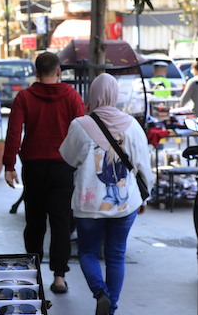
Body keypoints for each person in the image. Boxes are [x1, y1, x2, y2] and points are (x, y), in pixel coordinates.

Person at [59, 73, 154, 315]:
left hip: (88, 205)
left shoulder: (80, 125)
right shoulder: (132, 125)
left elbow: (68, 158)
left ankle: (100, 292)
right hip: (125, 204)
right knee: (116, 255)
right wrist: (146, 196)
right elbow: (144, 166)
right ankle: (110, 308)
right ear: (115, 95)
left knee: (87, 251)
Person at [2, 52, 85, 294]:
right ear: (59, 72)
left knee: (34, 222)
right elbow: (81, 130)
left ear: (36, 73)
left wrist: (9, 166)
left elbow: (14, 132)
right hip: (63, 166)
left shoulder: (24, 97)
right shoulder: (71, 96)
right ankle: (59, 278)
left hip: (33, 167)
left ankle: (32, 274)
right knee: (61, 223)